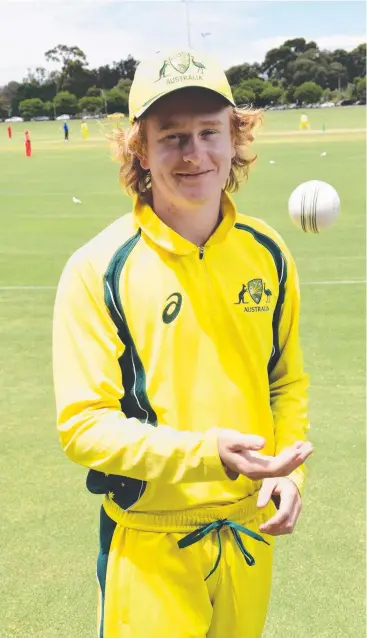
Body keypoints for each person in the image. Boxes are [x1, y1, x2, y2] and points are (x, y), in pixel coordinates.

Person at [53, 48, 313, 638]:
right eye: (171, 136)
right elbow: (83, 425)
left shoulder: (267, 252)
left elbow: (285, 380)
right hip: (150, 543)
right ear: (140, 149)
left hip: (249, 534)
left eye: (208, 132)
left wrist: (287, 473)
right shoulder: (98, 268)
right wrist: (204, 452)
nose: (194, 153)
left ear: (234, 138)